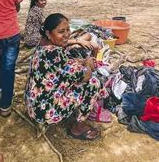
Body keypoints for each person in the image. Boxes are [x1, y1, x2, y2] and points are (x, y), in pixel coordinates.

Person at [25, 13, 106, 141]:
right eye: (61, 31)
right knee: (93, 83)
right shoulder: (55, 53)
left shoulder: (42, 45)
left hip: (33, 105)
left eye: (68, 29)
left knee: (76, 74)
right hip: (44, 112)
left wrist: (78, 45)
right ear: (48, 33)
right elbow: (85, 76)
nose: (67, 34)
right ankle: (77, 128)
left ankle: (75, 109)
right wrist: (89, 63)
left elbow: (62, 67)